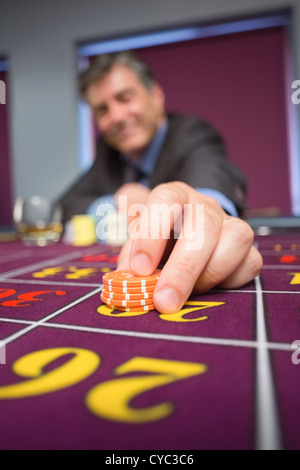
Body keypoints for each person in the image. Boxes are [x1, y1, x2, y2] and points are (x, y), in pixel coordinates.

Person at [58, 50, 263, 314]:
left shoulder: (190, 132)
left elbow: (210, 181)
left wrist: (204, 212)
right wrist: (115, 203)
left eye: (125, 98)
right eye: (102, 110)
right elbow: (66, 204)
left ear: (156, 96)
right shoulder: (108, 152)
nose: (117, 116)